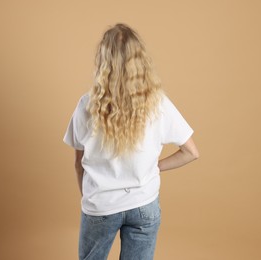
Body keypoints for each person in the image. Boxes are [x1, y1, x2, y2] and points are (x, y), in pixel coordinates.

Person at [63, 23, 199, 260]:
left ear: (103, 62)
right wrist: (155, 167)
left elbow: (78, 164)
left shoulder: (87, 105)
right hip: (144, 204)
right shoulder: (158, 103)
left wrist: (91, 201)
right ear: (140, 62)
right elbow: (191, 152)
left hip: (100, 205)